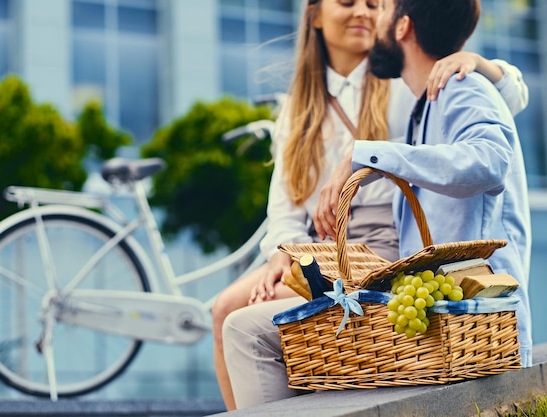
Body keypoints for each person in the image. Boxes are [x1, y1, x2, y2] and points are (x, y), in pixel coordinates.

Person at [213, 0, 529, 410]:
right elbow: (286, 203)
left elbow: (499, 110)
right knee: (225, 311)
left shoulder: (409, 78)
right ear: (315, 15)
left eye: (376, 5)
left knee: (255, 328)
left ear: (402, 26)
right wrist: (283, 251)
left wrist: (477, 61)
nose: (365, 12)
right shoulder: (299, 106)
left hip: (384, 243)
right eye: (348, 2)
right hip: (321, 244)